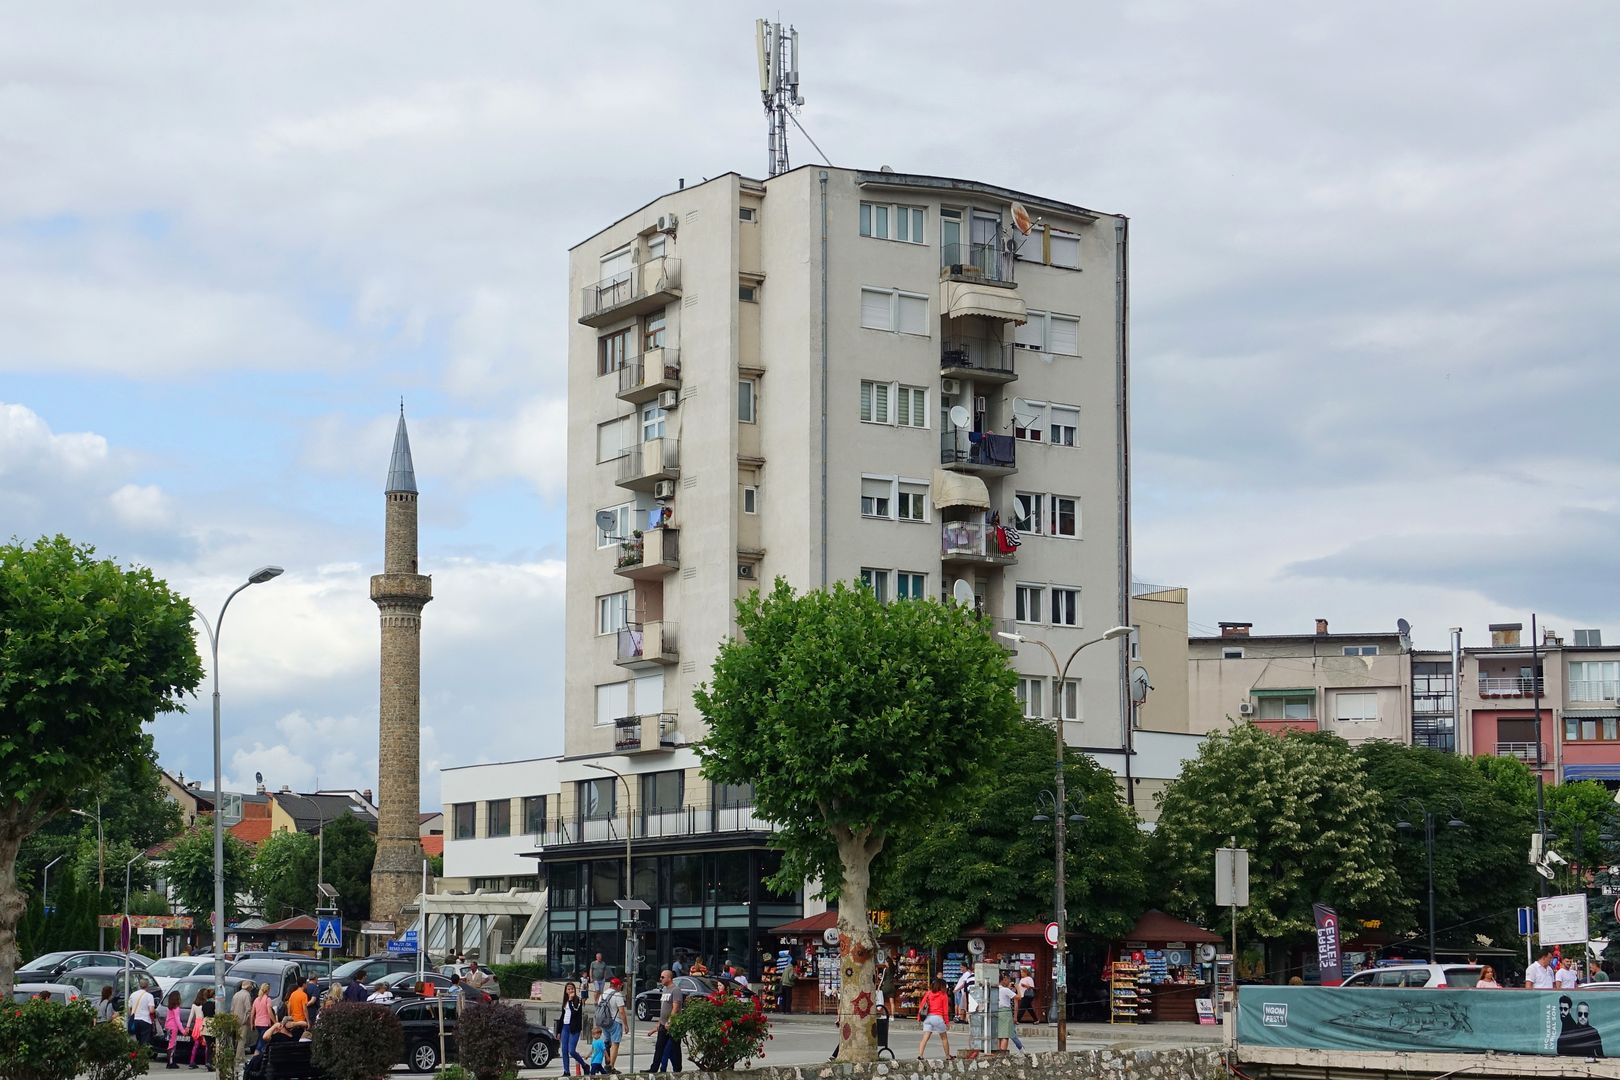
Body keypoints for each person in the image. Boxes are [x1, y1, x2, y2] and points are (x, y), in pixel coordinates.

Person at [651, 969, 684, 1073]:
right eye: (661, 977)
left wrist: (670, 1021)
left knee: (675, 1048)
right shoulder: (665, 989)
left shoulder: (675, 990)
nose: (660, 979)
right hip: (662, 1024)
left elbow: (676, 1007)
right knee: (659, 1047)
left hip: (672, 1025)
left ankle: (677, 1069)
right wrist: (659, 1024)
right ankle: (654, 1069)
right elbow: (663, 1008)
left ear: (669, 978)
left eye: (662, 977)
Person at [556, 982, 590, 1076]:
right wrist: (559, 1031)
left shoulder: (578, 1000)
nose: (571, 991)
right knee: (564, 1050)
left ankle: (584, 1065)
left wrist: (571, 1000)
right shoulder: (565, 1001)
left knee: (572, 1050)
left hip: (574, 1028)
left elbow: (575, 1012)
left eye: (572, 989)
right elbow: (562, 1016)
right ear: (566, 991)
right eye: (569, 989)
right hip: (565, 1027)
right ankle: (566, 1071)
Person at [917, 977, 953, 1060]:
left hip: (928, 1018)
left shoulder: (928, 993)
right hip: (938, 1018)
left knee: (925, 1038)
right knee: (944, 1038)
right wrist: (947, 1022)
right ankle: (947, 1056)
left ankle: (920, 1055)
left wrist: (919, 1017)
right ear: (942, 986)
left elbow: (922, 1006)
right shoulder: (943, 995)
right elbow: (945, 1011)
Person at [599, 977, 627, 1072]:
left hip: (604, 1021)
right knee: (615, 1044)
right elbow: (622, 1012)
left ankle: (607, 1063)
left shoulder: (603, 994)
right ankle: (611, 1066)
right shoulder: (618, 995)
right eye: (620, 986)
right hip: (615, 1021)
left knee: (607, 1042)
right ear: (618, 986)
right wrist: (626, 1025)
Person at [128, 979, 156, 1048]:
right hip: (145, 1020)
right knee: (145, 1041)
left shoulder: (133, 995)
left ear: (139, 985)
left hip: (135, 1020)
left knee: (138, 1039)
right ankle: (143, 1055)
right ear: (147, 985)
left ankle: (138, 1054)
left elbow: (129, 1009)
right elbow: (151, 1010)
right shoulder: (149, 996)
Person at [164, 991, 187, 1070]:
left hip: (168, 1026)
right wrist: (183, 1030)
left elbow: (168, 1018)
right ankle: (170, 1062)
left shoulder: (169, 1008)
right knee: (172, 1045)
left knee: (170, 1044)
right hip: (173, 1027)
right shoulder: (176, 1008)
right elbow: (177, 1020)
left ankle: (170, 1062)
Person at [188, 989, 210, 1069]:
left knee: (196, 1045)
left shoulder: (194, 1005)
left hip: (197, 1025)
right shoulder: (205, 1004)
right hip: (203, 1024)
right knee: (207, 1044)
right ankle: (207, 1062)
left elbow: (191, 1016)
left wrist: (187, 1026)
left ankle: (191, 1061)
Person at [995, 974, 1017, 1053]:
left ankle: (998, 1051)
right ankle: (1003, 1053)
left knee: (998, 1034)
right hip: (1005, 1011)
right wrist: (1017, 987)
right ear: (1002, 980)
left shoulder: (993, 990)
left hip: (995, 1011)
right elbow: (1019, 997)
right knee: (1005, 1035)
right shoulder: (1005, 990)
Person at [250, 983, 275, 1050]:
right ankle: (258, 1054)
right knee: (262, 1042)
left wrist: (252, 1023)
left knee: (260, 1039)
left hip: (257, 1023)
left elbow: (252, 1013)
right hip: (265, 1023)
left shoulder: (256, 999)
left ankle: (258, 1054)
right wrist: (275, 1022)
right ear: (268, 990)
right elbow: (269, 1012)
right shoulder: (267, 999)